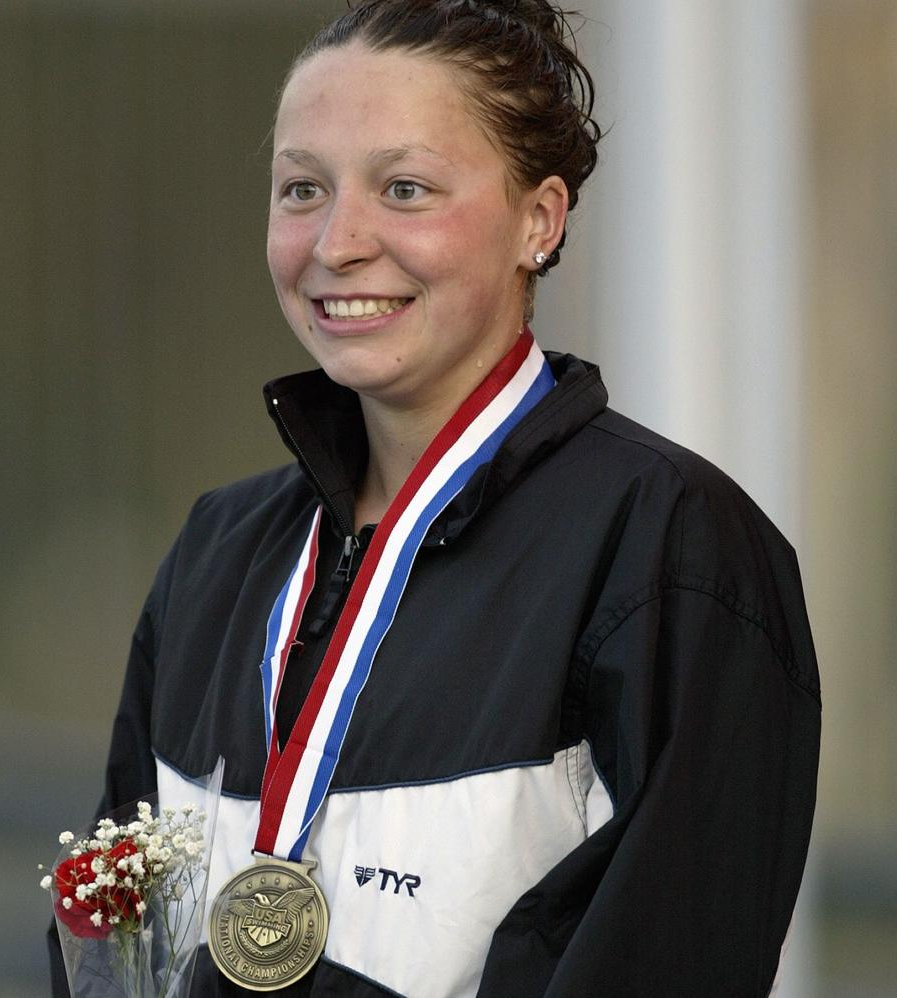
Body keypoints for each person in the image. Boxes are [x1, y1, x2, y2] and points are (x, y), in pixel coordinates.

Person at [49, 1, 821, 995]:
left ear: (538, 220)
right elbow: (106, 954)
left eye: (405, 188)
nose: (338, 240)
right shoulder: (221, 549)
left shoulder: (667, 543)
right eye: (302, 188)